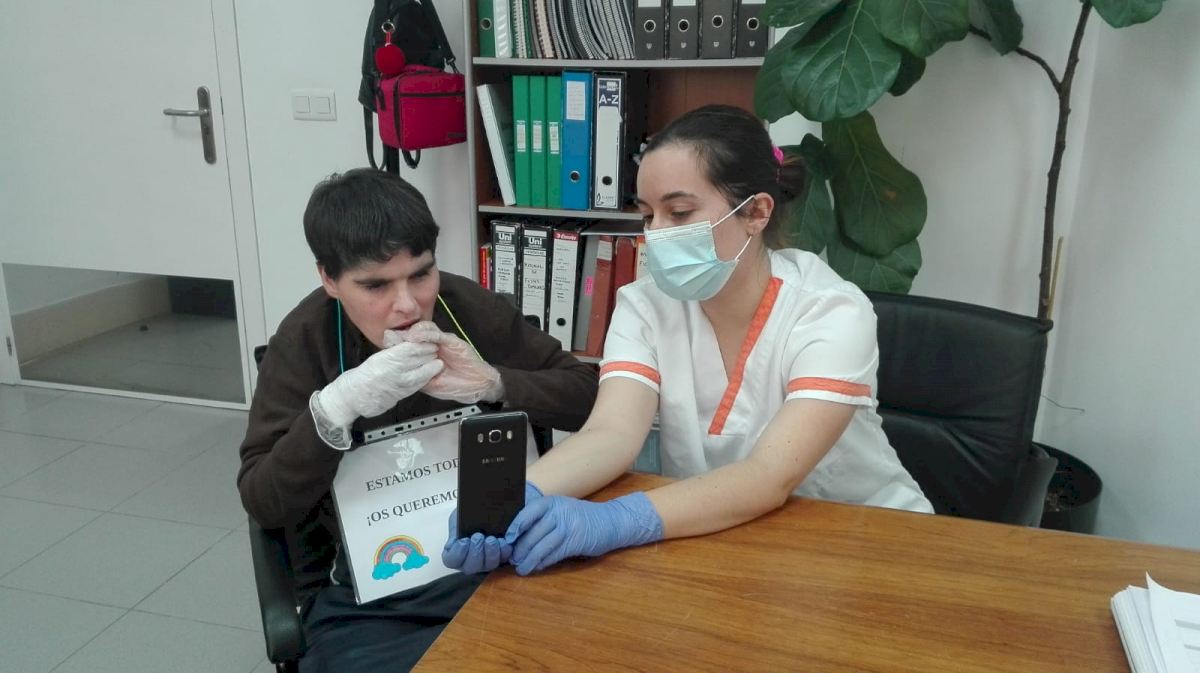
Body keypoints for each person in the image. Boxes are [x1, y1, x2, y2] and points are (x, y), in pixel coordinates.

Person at [443, 104, 932, 577]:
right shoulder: (643, 305)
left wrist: (619, 520)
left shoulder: (830, 311)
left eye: (678, 212)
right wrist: (512, 497)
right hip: (722, 537)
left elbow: (769, 475)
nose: (656, 234)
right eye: (647, 214)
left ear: (756, 212)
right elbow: (611, 434)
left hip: (868, 541)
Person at [236, 168, 597, 672]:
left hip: (506, 565)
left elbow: (589, 397)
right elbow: (263, 500)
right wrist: (332, 411)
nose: (407, 305)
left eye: (422, 274)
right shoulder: (303, 342)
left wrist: (496, 383)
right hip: (376, 602)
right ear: (329, 279)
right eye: (375, 285)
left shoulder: (467, 308)